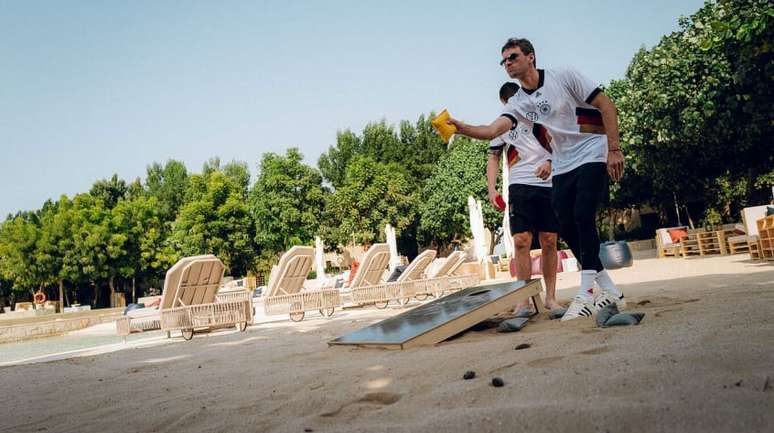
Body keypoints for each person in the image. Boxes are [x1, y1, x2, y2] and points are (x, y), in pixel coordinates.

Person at [447, 37, 626, 321]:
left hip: (593, 149)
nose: (508, 63)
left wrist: (614, 149)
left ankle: (586, 294)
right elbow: (492, 130)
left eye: (513, 57)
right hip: (564, 161)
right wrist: (461, 128)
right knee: (566, 226)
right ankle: (609, 289)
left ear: (531, 57)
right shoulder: (518, 103)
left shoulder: (564, 76)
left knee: (582, 215)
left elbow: (606, 105)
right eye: (504, 60)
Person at [488, 81, 562, 313]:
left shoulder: (541, 116)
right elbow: (493, 157)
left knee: (549, 239)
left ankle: (550, 297)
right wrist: (492, 188)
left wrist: (550, 163)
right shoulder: (502, 123)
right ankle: (523, 300)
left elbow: (561, 145)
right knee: (521, 241)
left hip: (548, 184)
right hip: (519, 186)